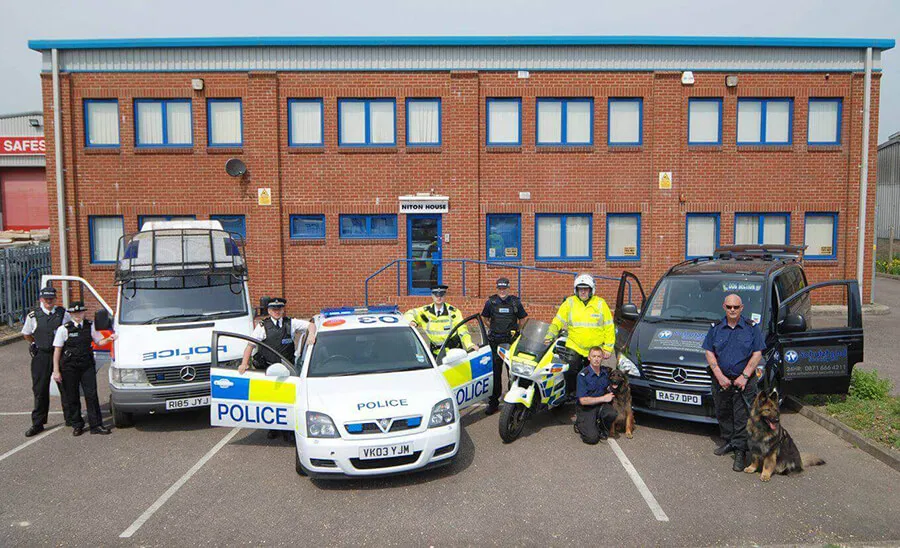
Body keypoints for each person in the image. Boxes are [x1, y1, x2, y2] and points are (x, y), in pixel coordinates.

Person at [702, 293, 765, 472]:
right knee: (723, 413)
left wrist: (744, 376)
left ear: (741, 308)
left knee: (741, 417)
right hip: (721, 380)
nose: (732, 310)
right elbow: (709, 351)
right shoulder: (716, 328)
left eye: (735, 307)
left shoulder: (751, 328)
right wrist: (719, 376)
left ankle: (740, 452)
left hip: (743, 381)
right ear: (724, 307)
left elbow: (757, 353)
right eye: (729, 307)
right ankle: (729, 442)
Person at [238, 297, 316, 440]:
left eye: (279, 309)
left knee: (288, 400)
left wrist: (311, 334)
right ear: (269, 311)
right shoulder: (262, 327)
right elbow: (250, 346)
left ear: (283, 310)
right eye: (274, 309)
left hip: (287, 369)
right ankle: (273, 428)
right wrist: (244, 363)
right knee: (270, 400)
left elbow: (311, 325)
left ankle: (288, 431)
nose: (277, 311)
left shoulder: (290, 323)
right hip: (269, 369)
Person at [51, 301, 116, 436]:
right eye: (74, 313)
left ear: (84, 313)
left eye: (80, 312)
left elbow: (99, 341)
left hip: (86, 366)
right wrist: (56, 370)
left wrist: (110, 339)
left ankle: (96, 425)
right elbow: (57, 351)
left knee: (91, 395)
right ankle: (77, 424)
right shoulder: (64, 329)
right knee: (72, 396)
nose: (77, 315)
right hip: (69, 367)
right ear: (70, 314)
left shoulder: (90, 326)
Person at [546, 274, 615, 398]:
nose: (583, 291)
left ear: (591, 290)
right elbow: (558, 320)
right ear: (576, 290)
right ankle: (571, 392)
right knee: (570, 369)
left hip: (595, 347)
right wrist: (549, 335)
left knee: (594, 373)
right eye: (580, 289)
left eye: (586, 289)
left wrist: (608, 348)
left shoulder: (600, 303)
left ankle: (594, 395)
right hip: (575, 345)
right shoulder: (570, 302)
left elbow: (609, 326)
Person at [21, 286, 72, 437]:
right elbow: (26, 334)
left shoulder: (63, 313)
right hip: (41, 356)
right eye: (46, 298)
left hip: (60, 354)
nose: (49, 301)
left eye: (51, 298)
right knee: (40, 390)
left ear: (55, 299)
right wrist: (34, 344)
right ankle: (38, 423)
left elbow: (69, 331)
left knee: (66, 387)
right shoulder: (33, 316)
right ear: (41, 299)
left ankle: (71, 418)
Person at [480, 277, 528, 415]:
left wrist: (516, 331)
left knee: (512, 372)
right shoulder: (491, 302)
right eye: (500, 288)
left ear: (508, 288)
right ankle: (494, 402)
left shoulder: (515, 302)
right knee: (496, 372)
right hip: (495, 341)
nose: (502, 291)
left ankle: (513, 403)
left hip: (510, 342)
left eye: (504, 288)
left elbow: (523, 318)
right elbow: (485, 318)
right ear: (497, 289)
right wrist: (493, 328)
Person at [405, 284, 477, 357]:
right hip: (436, 352)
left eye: (441, 295)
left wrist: (469, 344)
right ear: (432, 296)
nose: (439, 298)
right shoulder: (425, 312)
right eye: (436, 295)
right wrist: (412, 321)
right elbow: (409, 313)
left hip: (453, 351)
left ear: (445, 296)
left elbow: (462, 330)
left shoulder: (453, 312)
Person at [574, 347, 617, 444]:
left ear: (602, 358)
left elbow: (609, 387)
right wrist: (603, 398)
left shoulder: (605, 373)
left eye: (599, 356)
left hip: (600, 406)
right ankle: (580, 423)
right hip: (586, 408)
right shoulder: (582, 375)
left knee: (612, 413)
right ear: (589, 358)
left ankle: (600, 426)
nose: (596, 359)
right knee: (592, 439)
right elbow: (583, 400)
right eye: (594, 356)